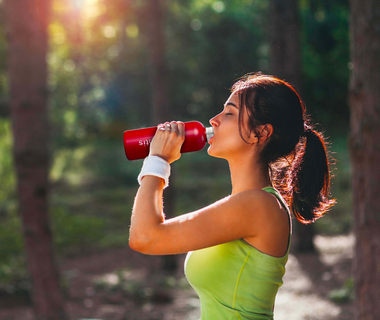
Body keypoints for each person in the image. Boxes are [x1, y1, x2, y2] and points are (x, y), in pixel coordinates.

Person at [128, 73, 335, 319]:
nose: (213, 120)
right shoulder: (247, 203)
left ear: (260, 133)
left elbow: (145, 237)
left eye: (229, 113)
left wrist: (158, 161)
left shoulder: (257, 205)